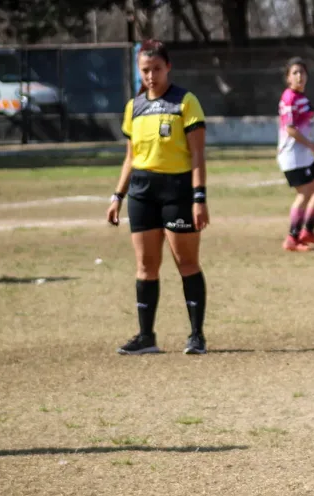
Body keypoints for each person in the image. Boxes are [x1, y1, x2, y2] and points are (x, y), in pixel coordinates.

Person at [107, 40, 209, 355]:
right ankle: (146, 337)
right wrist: (117, 195)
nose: (151, 76)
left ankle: (196, 336)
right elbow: (130, 157)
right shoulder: (133, 107)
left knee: (186, 263)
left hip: (177, 192)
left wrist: (199, 197)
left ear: (168, 68)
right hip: (141, 192)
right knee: (145, 266)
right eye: (145, 70)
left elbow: (197, 155)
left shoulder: (185, 102)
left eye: (156, 69)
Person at [278, 57, 314, 251]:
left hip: (303, 155)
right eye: (295, 73)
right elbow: (289, 129)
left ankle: (307, 231)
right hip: (293, 156)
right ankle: (292, 238)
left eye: (302, 72)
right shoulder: (289, 98)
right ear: (288, 78)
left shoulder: (301, 97)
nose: (300, 76)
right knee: (305, 194)